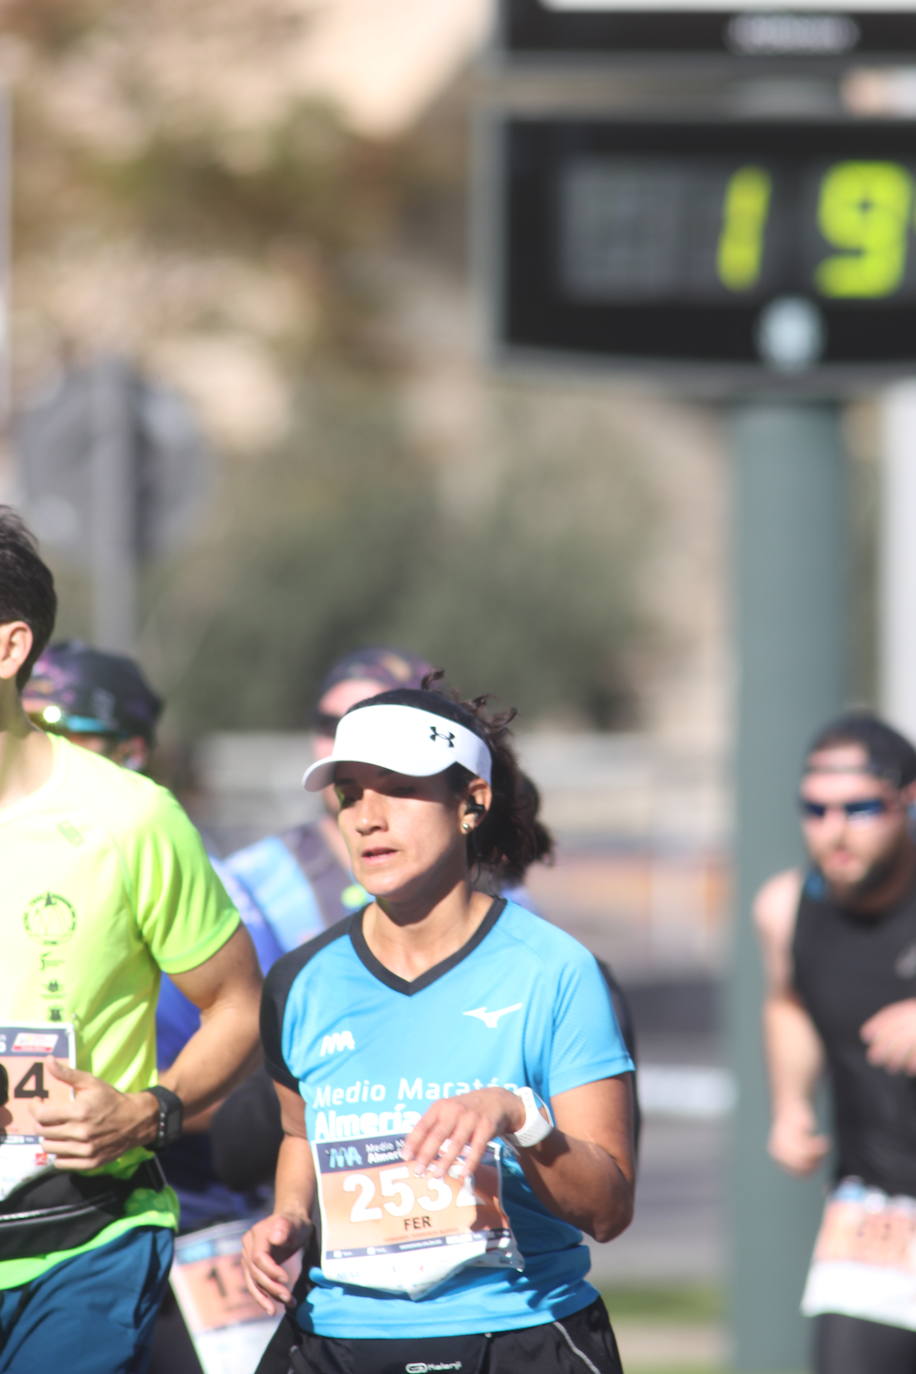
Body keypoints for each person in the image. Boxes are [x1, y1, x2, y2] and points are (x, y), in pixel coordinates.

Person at [242, 683, 636, 1374]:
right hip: (336, 1340)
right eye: (350, 794)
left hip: (518, 1337)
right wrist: (290, 1218)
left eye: (397, 789)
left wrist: (518, 1115)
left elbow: (607, 1210)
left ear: (472, 803)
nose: (366, 818)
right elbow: (301, 1133)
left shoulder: (557, 972)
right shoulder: (300, 981)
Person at [0, 508, 262, 1374]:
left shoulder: (130, 819)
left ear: (9, 651)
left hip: (83, 1238)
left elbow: (238, 1003)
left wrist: (151, 1112)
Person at [755, 710, 916, 1373]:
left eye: (858, 808)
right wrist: (791, 1104)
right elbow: (788, 999)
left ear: (908, 801)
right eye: (815, 810)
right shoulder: (786, 907)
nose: (834, 831)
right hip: (877, 1215)